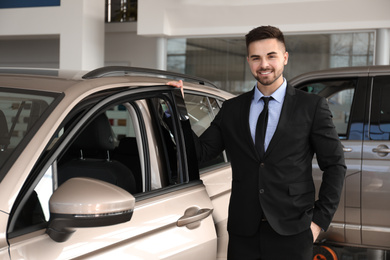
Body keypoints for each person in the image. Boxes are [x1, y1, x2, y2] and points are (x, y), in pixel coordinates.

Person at [168, 25, 346, 260]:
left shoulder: (311, 107)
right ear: (249, 61)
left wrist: (318, 222)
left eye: (271, 56)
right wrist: (176, 111)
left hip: (292, 230)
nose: (264, 64)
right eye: (256, 58)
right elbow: (201, 152)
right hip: (244, 232)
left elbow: (335, 165)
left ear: (285, 58)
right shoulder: (232, 109)